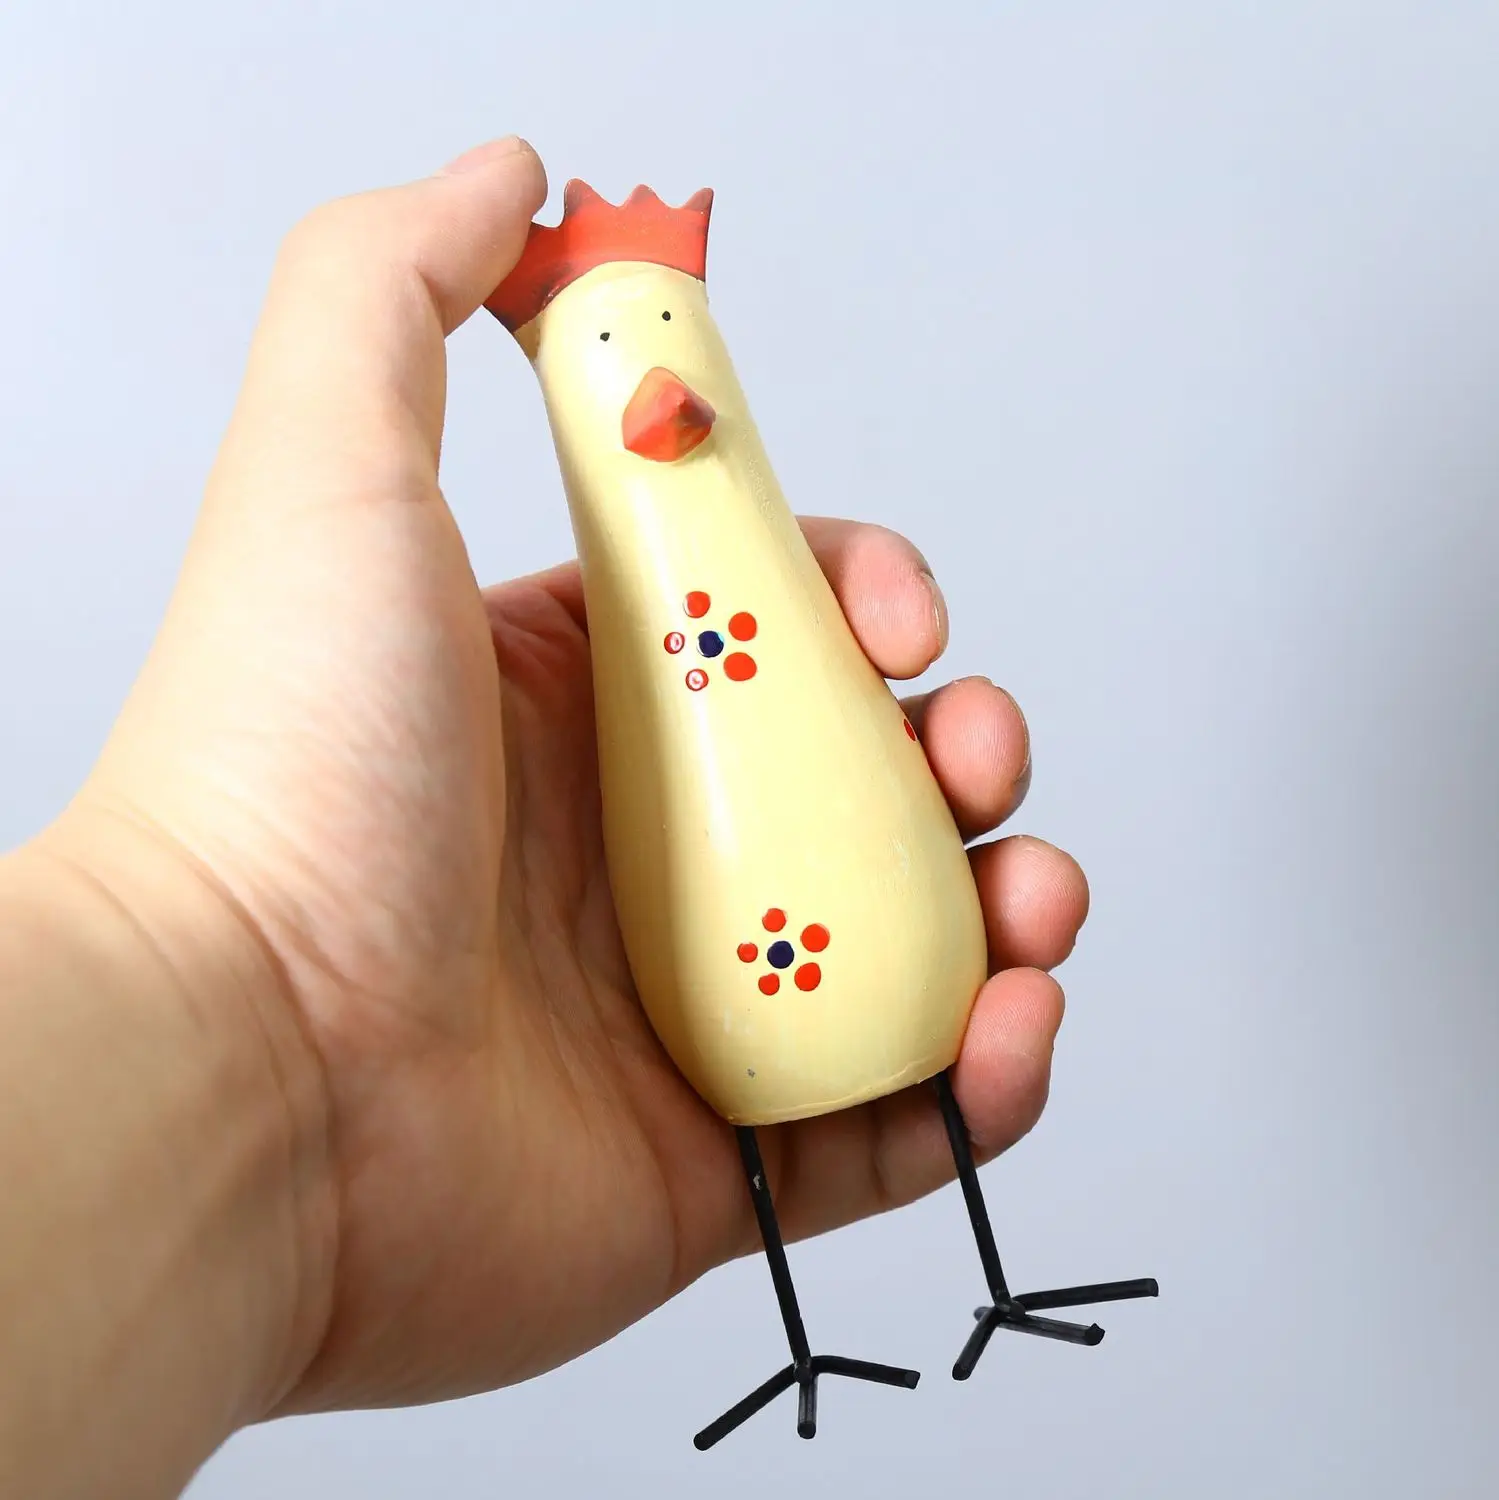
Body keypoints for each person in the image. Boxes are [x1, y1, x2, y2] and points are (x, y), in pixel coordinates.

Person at [0, 137, 1088, 1499]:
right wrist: (270, 978)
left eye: (667, 351)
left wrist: (269, 1033)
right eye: (622, 362)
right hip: (711, 1004)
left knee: (943, 1014)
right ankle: (803, 1346)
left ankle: (998, 1283)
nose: (659, 397)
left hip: (845, 957)